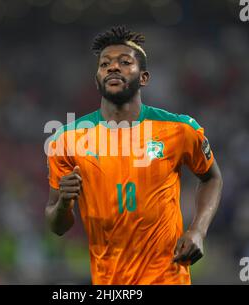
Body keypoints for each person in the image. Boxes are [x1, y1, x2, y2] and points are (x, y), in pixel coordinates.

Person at [45, 25, 223, 285]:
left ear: (144, 77)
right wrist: (63, 203)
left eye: (125, 62)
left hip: (167, 277)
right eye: (105, 64)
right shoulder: (67, 140)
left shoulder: (179, 129)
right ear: (97, 80)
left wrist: (198, 230)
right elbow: (57, 226)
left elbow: (212, 178)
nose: (113, 67)